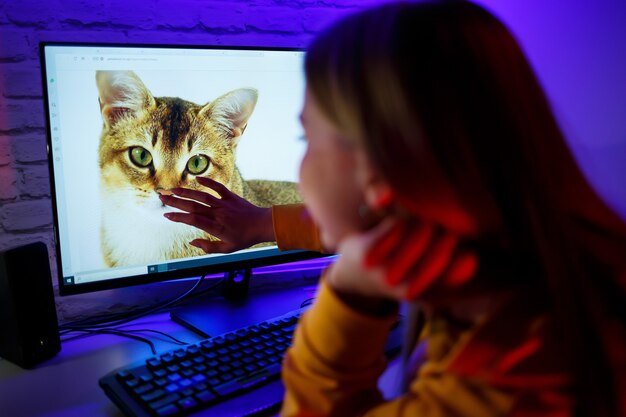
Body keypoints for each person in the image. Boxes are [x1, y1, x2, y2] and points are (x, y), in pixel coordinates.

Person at [159, 1, 626, 416]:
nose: (300, 168)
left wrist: (348, 294)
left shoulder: (503, 388)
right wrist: (264, 222)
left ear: (378, 179)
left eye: (308, 138)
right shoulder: (561, 271)